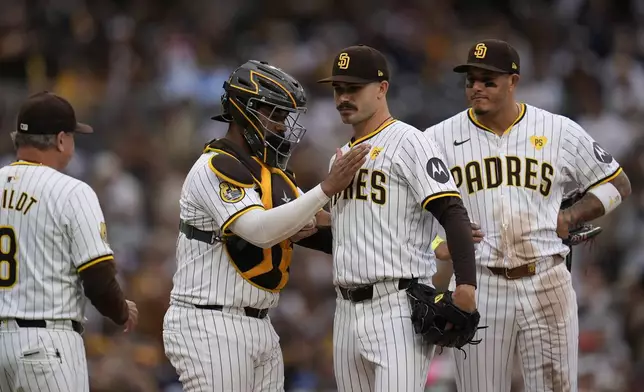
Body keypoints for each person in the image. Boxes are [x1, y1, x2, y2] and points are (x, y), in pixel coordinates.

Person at [426, 39, 632, 392]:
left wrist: (573, 214)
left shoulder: (556, 130)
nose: (476, 87)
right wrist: (436, 244)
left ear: (513, 81)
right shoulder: (437, 138)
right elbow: (408, 213)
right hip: (479, 283)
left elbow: (618, 184)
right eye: (470, 80)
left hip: (546, 281)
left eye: (488, 80)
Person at [162, 59, 369, 392]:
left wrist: (409, 233)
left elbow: (325, 228)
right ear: (247, 110)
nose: (283, 127)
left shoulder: (271, 174)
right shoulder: (213, 166)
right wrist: (327, 188)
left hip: (259, 323)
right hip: (209, 322)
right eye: (275, 115)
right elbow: (259, 231)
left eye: (284, 117)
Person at [316, 44, 479, 392]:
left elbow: (451, 211)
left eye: (353, 88)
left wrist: (466, 285)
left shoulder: (409, 142)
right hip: (345, 311)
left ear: (381, 88)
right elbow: (348, 238)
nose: (343, 97)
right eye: (338, 89)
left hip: (396, 306)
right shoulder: (340, 160)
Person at [0, 91, 138, 392]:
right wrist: (121, 310)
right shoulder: (72, 191)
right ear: (61, 140)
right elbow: (98, 278)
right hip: (46, 343)